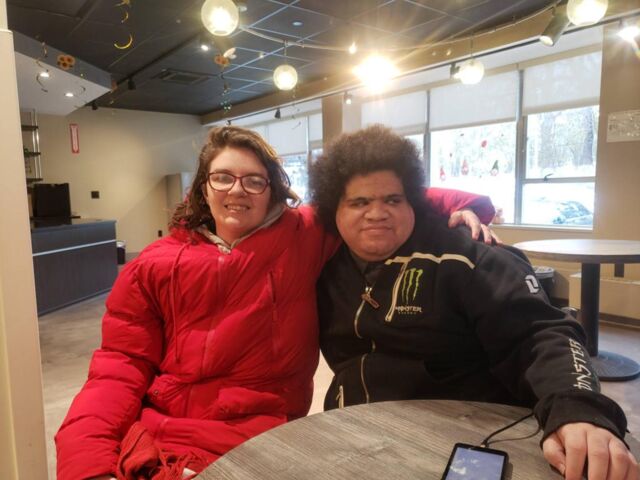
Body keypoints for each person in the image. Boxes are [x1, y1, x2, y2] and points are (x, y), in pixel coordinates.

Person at [55, 126, 497, 480]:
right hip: (164, 433)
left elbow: (378, 196)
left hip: (260, 439)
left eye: (254, 180)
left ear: (271, 189)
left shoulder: (303, 234)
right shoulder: (154, 264)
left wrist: (463, 206)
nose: (238, 190)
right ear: (203, 188)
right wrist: (87, 465)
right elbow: (119, 367)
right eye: (223, 177)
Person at [310, 125, 638, 480]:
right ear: (333, 210)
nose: (377, 213)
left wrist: (578, 408)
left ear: (414, 202)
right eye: (359, 202)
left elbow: (540, 334)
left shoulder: (467, 258)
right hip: (352, 434)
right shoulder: (320, 265)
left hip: (466, 437)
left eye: (393, 200)